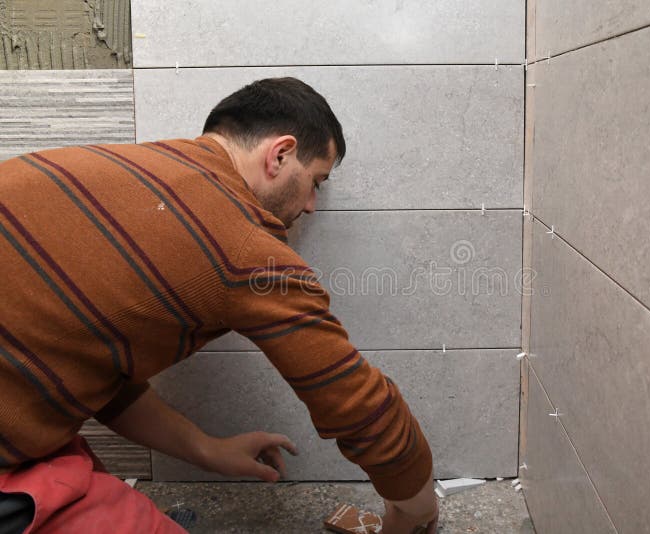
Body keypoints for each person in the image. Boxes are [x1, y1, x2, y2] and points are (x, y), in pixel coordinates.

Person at [0, 77, 438, 533]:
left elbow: (98, 372)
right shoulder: (241, 242)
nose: (310, 205)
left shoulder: (120, 165)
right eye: (316, 182)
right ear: (280, 154)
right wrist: (418, 509)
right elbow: (358, 404)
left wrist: (206, 448)